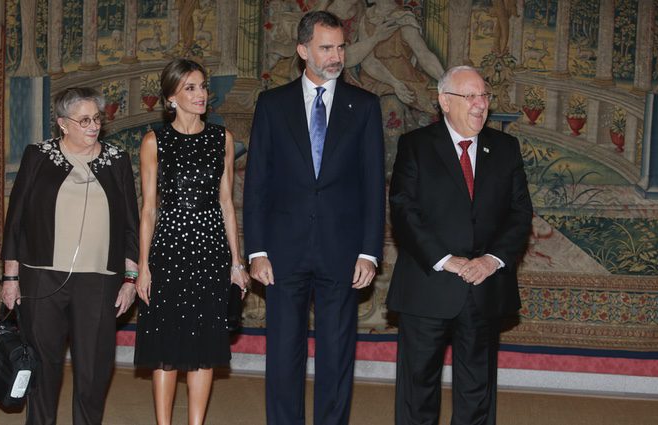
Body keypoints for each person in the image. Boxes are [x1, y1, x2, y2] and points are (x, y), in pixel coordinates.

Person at [243, 11, 385, 425]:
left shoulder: (365, 106)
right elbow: (257, 184)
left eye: (340, 46)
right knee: (283, 356)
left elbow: (375, 185)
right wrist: (257, 250)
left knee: (337, 356)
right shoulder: (272, 104)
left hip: (343, 253)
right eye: (326, 47)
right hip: (283, 253)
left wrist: (369, 252)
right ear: (303, 50)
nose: (336, 55)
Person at [387, 65, 533, 425]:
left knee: (476, 392)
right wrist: (444, 259)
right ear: (444, 102)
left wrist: (491, 260)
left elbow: (520, 214)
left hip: (485, 287)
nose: (480, 104)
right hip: (427, 285)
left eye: (484, 96)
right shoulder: (415, 145)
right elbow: (404, 210)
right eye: (470, 96)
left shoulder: (506, 148)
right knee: (417, 390)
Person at [0, 87, 140, 425]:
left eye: (97, 119)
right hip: (41, 277)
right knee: (43, 365)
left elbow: (131, 226)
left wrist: (131, 278)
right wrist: (10, 277)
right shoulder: (38, 155)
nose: (94, 126)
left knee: (94, 367)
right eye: (84, 120)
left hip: (99, 280)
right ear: (63, 124)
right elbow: (15, 219)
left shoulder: (117, 160)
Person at [134, 58, 250, 425]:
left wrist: (236, 263)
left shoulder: (223, 139)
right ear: (171, 97)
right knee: (166, 345)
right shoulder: (155, 141)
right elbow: (149, 209)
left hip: (212, 252)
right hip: (168, 251)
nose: (201, 94)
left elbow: (227, 204)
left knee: (204, 345)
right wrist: (143, 267)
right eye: (190, 88)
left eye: (202, 86)